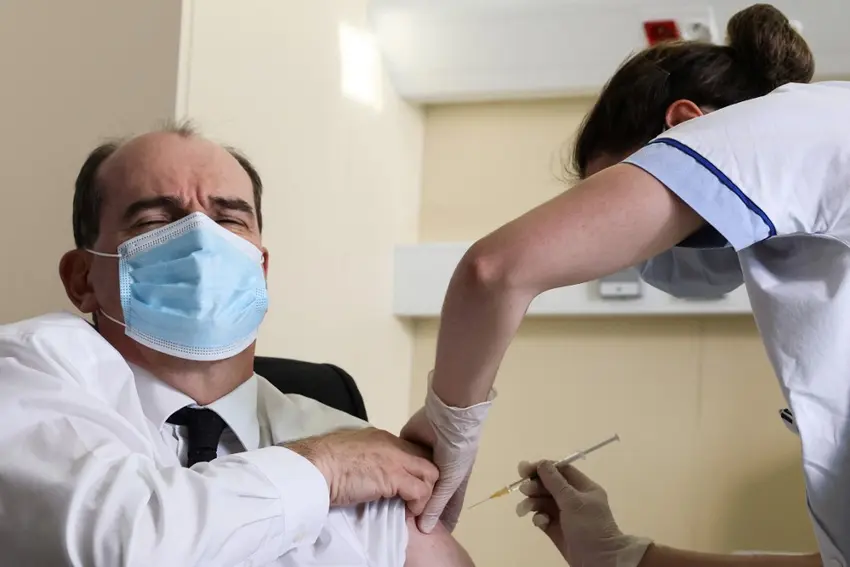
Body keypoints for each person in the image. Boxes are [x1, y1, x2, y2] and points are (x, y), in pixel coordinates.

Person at [402, 3, 850, 565]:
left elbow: (494, 269)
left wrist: (449, 425)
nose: (640, 257)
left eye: (616, 187)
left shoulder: (793, 124)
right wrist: (623, 556)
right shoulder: (813, 239)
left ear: (686, 126)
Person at [0, 123, 474, 567]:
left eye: (228, 219)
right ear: (82, 278)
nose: (202, 243)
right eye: (154, 220)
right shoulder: (29, 370)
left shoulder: (351, 443)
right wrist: (322, 470)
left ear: (260, 270)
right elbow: (118, 544)